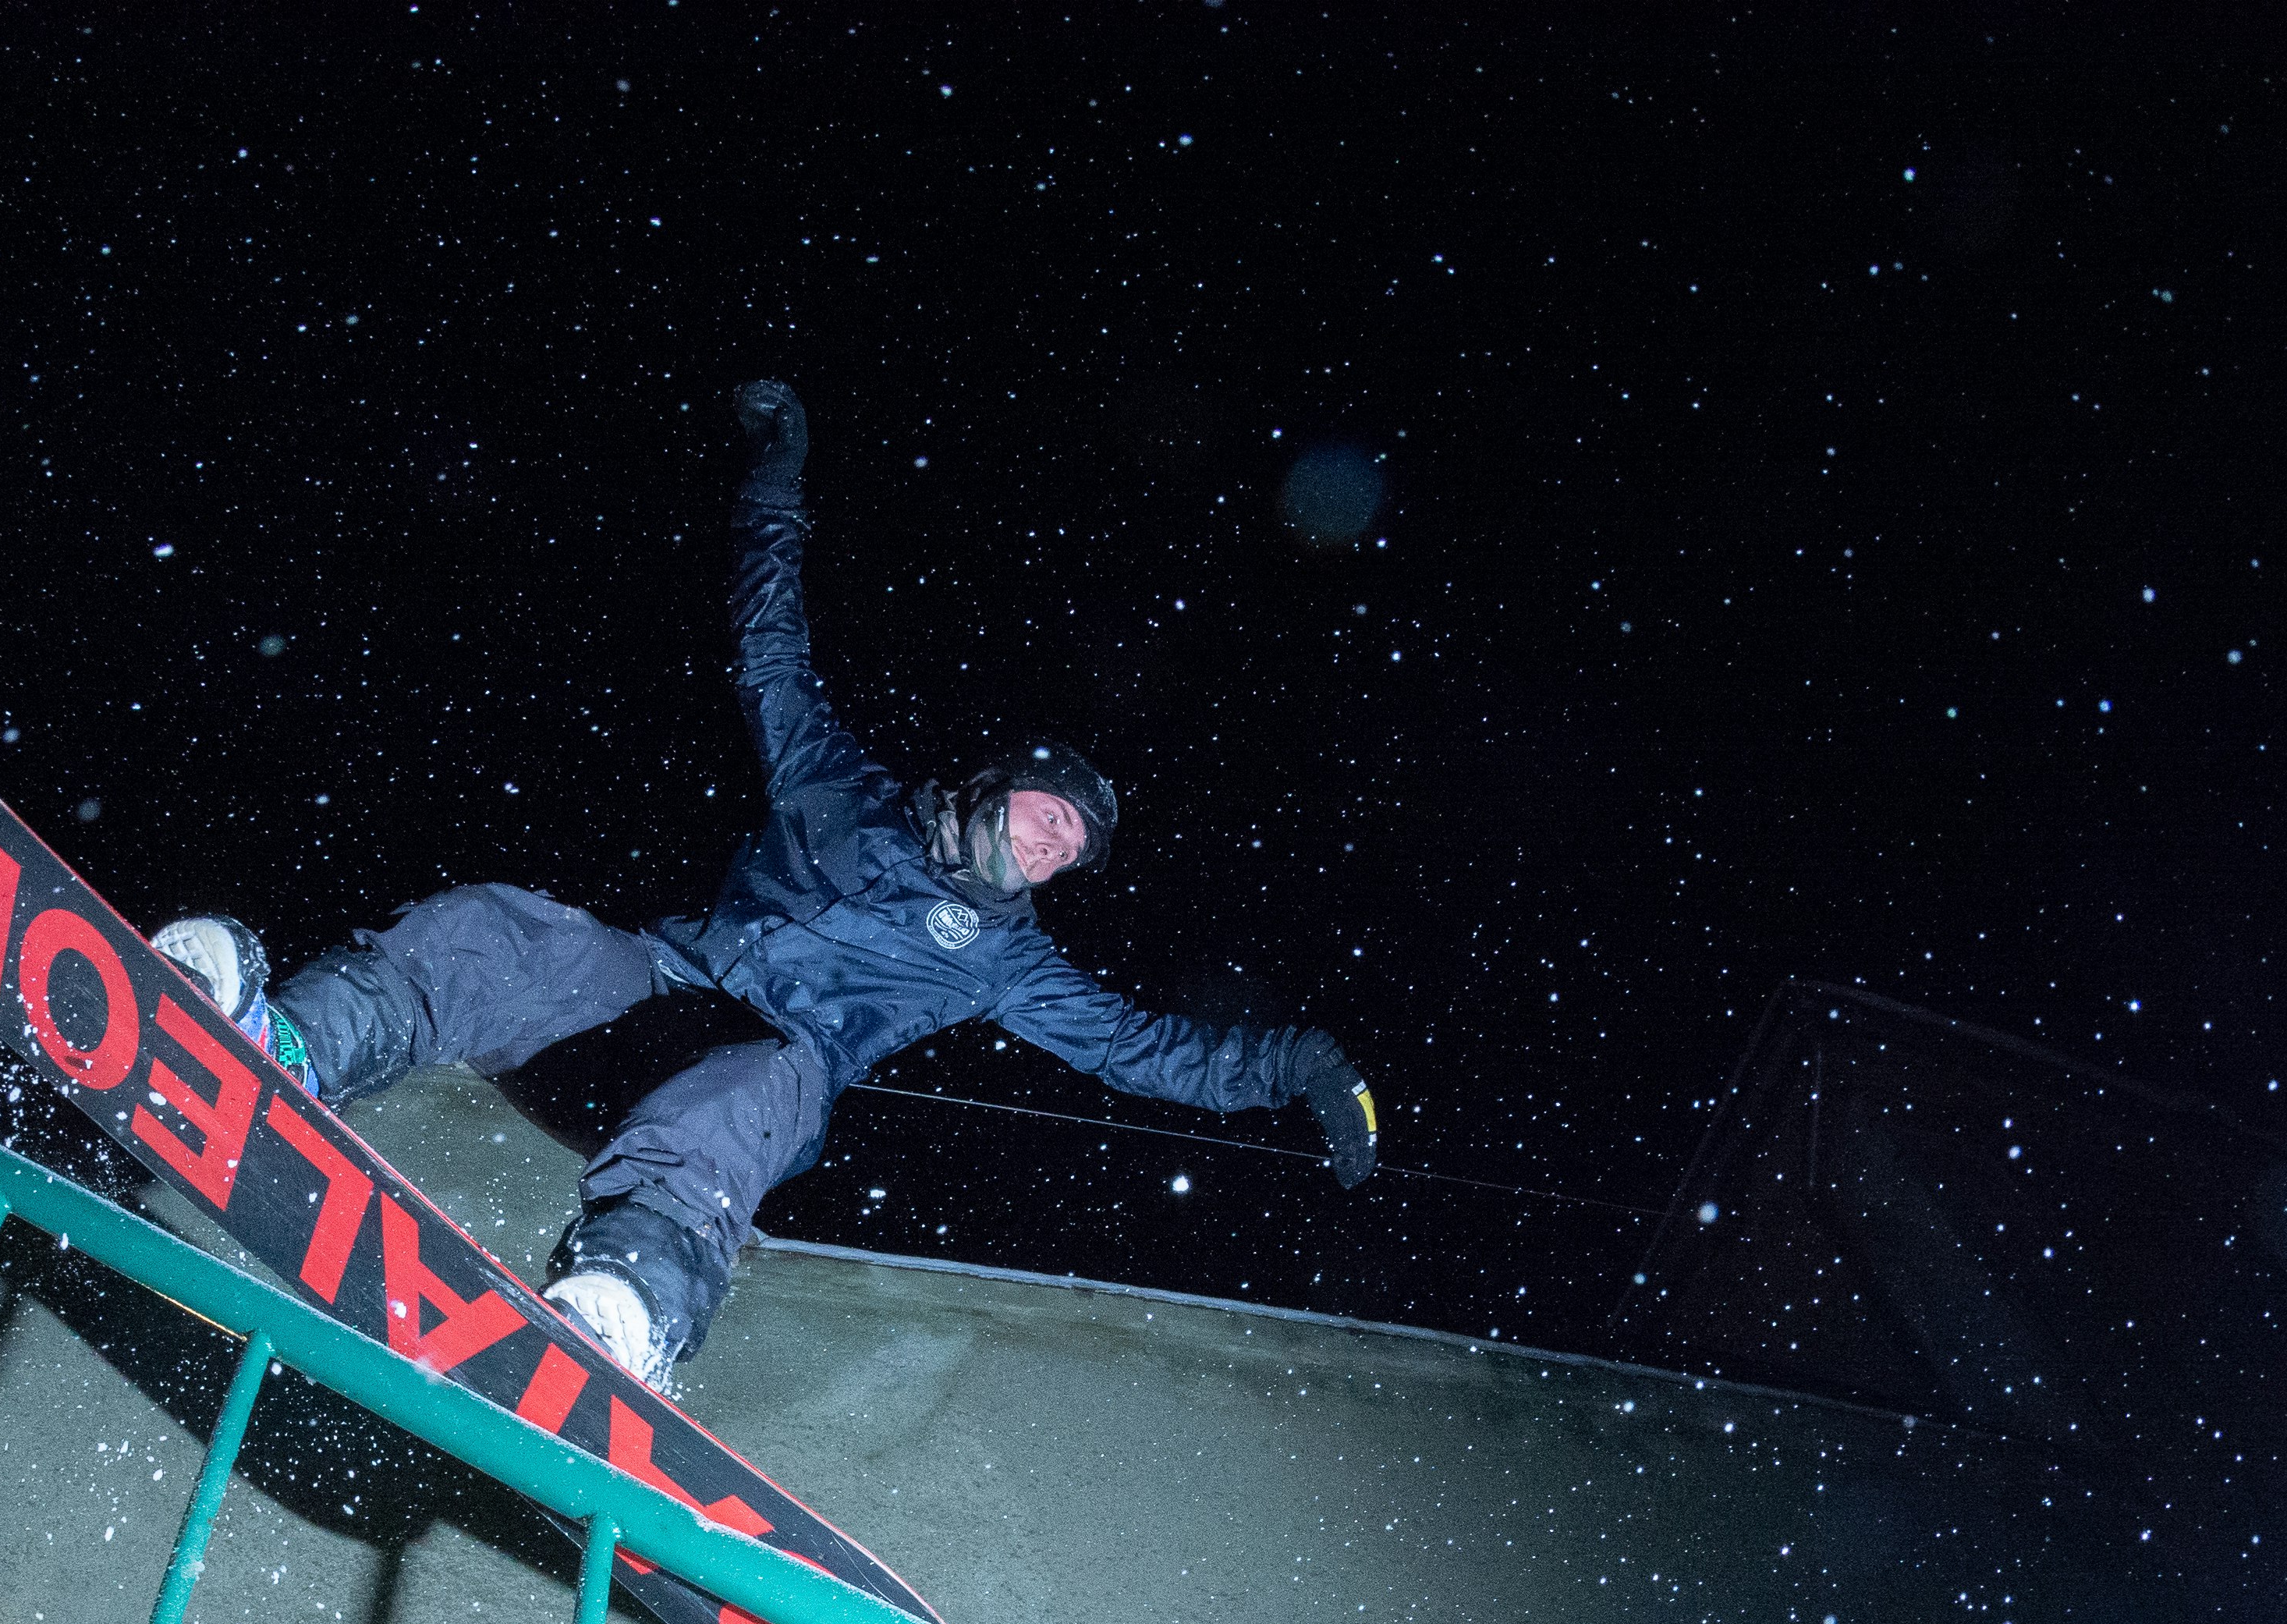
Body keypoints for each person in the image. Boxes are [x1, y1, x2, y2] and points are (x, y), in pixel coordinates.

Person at [147, 379, 1381, 1388]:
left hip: (757, 1069)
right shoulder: (835, 781)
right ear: (1003, 788)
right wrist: (776, 484)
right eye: (1050, 820)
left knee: (754, 1086)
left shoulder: (1013, 959)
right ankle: (285, 1042)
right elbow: (768, 643)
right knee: (500, 926)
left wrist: (1296, 1064)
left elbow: (1145, 1050)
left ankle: (624, 1300)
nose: (1053, 851)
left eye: (1071, 854)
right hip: (651, 994)